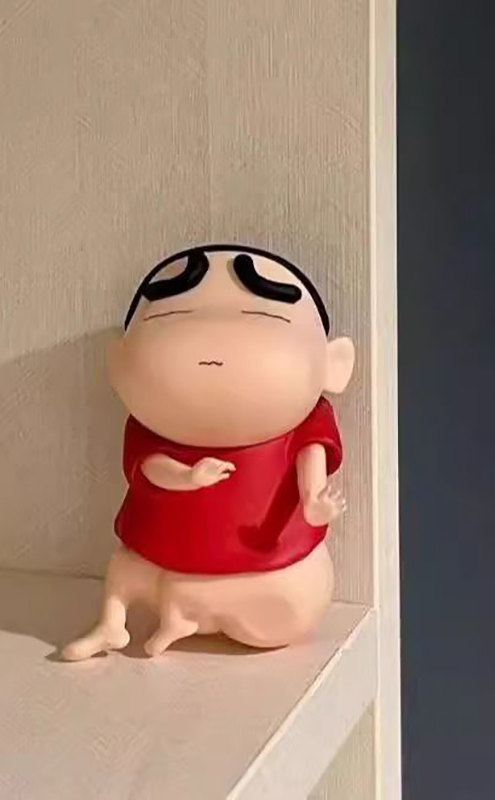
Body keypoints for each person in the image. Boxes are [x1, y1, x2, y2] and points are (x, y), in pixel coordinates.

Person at [63, 245, 355, 660]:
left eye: (262, 316)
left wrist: (313, 501)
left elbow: (311, 462)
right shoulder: (151, 427)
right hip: (168, 551)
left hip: (270, 560)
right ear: (117, 365)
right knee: (125, 566)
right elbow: (150, 468)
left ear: (335, 365)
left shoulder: (305, 422)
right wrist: (186, 477)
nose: (214, 343)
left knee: (297, 599)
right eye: (175, 315)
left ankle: (189, 612)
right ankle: (114, 622)